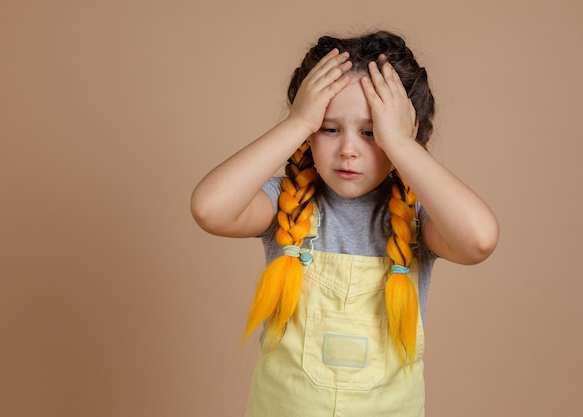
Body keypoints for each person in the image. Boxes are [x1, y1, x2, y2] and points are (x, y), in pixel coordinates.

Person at [190, 30, 499, 417]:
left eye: (371, 132)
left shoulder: (419, 214)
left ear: (405, 129)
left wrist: (401, 145)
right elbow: (209, 208)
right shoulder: (283, 202)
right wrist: (297, 123)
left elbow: (479, 240)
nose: (348, 149)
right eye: (329, 128)